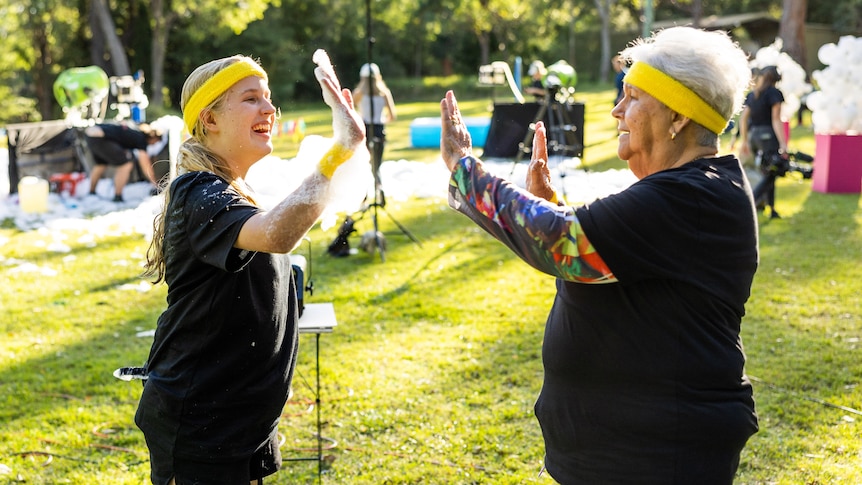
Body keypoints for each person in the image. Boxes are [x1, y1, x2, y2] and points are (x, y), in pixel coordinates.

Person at [440, 26, 758, 484]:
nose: (616, 110)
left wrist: (464, 170)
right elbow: (601, 261)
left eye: (632, 97)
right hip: (625, 451)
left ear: (677, 116)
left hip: (659, 455)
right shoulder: (688, 192)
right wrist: (552, 212)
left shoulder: (693, 196)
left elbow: (562, 244)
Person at [136, 53, 365, 485]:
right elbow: (278, 234)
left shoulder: (238, 191)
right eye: (251, 98)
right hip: (201, 424)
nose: (269, 109)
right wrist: (339, 152)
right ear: (210, 119)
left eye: (269, 98)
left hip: (240, 423)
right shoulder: (198, 192)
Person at [739, 65, 787, 219]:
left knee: (763, 171)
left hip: (753, 135)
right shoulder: (774, 93)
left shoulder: (754, 94)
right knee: (772, 172)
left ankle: (767, 207)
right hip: (767, 136)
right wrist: (783, 143)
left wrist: (745, 140)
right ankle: (754, 203)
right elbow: (776, 119)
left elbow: (744, 118)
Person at [84, 122, 162, 201]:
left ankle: (91, 193)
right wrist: (154, 183)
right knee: (126, 164)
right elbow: (145, 163)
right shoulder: (141, 138)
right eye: (156, 142)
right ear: (153, 137)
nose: (154, 144)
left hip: (91, 134)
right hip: (100, 134)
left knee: (101, 164)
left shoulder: (134, 131)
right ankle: (118, 197)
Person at [352, 62, 396, 197]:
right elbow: (392, 116)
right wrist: (381, 120)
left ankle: (363, 194)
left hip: (364, 130)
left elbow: (351, 111)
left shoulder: (359, 93)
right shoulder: (384, 93)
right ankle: (379, 188)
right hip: (379, 129)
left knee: (363, 163)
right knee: (376, 166)